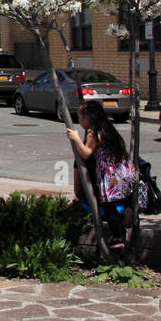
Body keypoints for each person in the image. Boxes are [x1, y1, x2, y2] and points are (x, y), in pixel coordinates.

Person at [66, 100, 136, 251]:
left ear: (89, 117)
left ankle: (118, 237)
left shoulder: (94, 132)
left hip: (109, 175)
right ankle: (129, 211)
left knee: (108, 204)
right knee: (122, 198)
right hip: (123, 170)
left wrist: (76, 138)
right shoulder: (108, 128)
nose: (79, 120)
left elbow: (86, 153)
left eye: (81, 117)